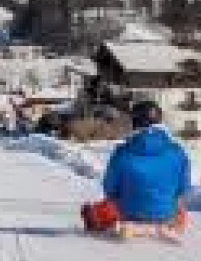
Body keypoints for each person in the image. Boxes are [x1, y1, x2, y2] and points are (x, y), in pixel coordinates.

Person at [81, 100, 191, 234]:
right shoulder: (178, 152)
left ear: (135, 122)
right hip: (168, 215)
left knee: (98, 210)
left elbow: (109, 189)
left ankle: (98, 218)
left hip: (129, 215)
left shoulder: (122, 152)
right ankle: (172, 223)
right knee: (177, 206)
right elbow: (184, 188)